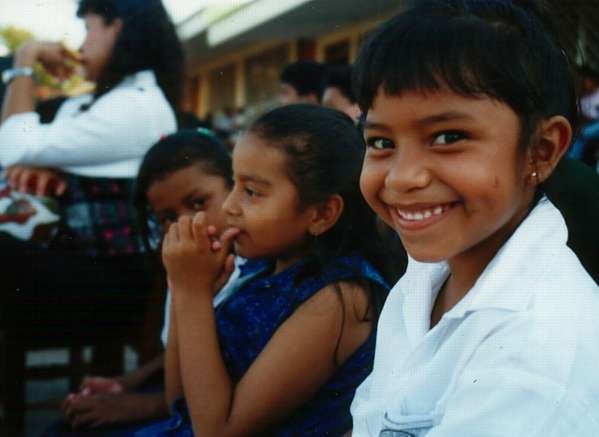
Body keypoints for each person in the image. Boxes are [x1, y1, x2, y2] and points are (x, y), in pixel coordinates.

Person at [350, 1, 599, 435]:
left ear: (541, 150)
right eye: (380, 141)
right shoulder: (427, 277)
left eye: (448, 137)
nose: (402, 177)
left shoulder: (536, 350)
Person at [136, 104, 391, 436]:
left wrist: (191, 293)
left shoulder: (340, 299)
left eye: (252, 192)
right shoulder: (260, 272)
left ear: (322, 214)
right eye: (234, 185)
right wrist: (185, 288)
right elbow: (179, 403)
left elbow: (217, 431)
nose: (229, 206)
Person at [0, 0, 183, 419]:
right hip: (84, 263)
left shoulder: (133, 106)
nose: (80, 43)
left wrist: (25, 60)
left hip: (112, 282)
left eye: (88, 29)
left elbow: (12, 144)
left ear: (117, 29)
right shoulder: (112, 100)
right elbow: (19, 146)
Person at [43, 130, 238, 435]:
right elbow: (176, 349)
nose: (185, 224)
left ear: (234, 188)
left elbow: (179, 401)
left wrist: (137, 403)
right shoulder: (186, 264)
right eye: (167, 217)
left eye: (199, 202)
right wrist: (126, 382)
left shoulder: (248, 267)